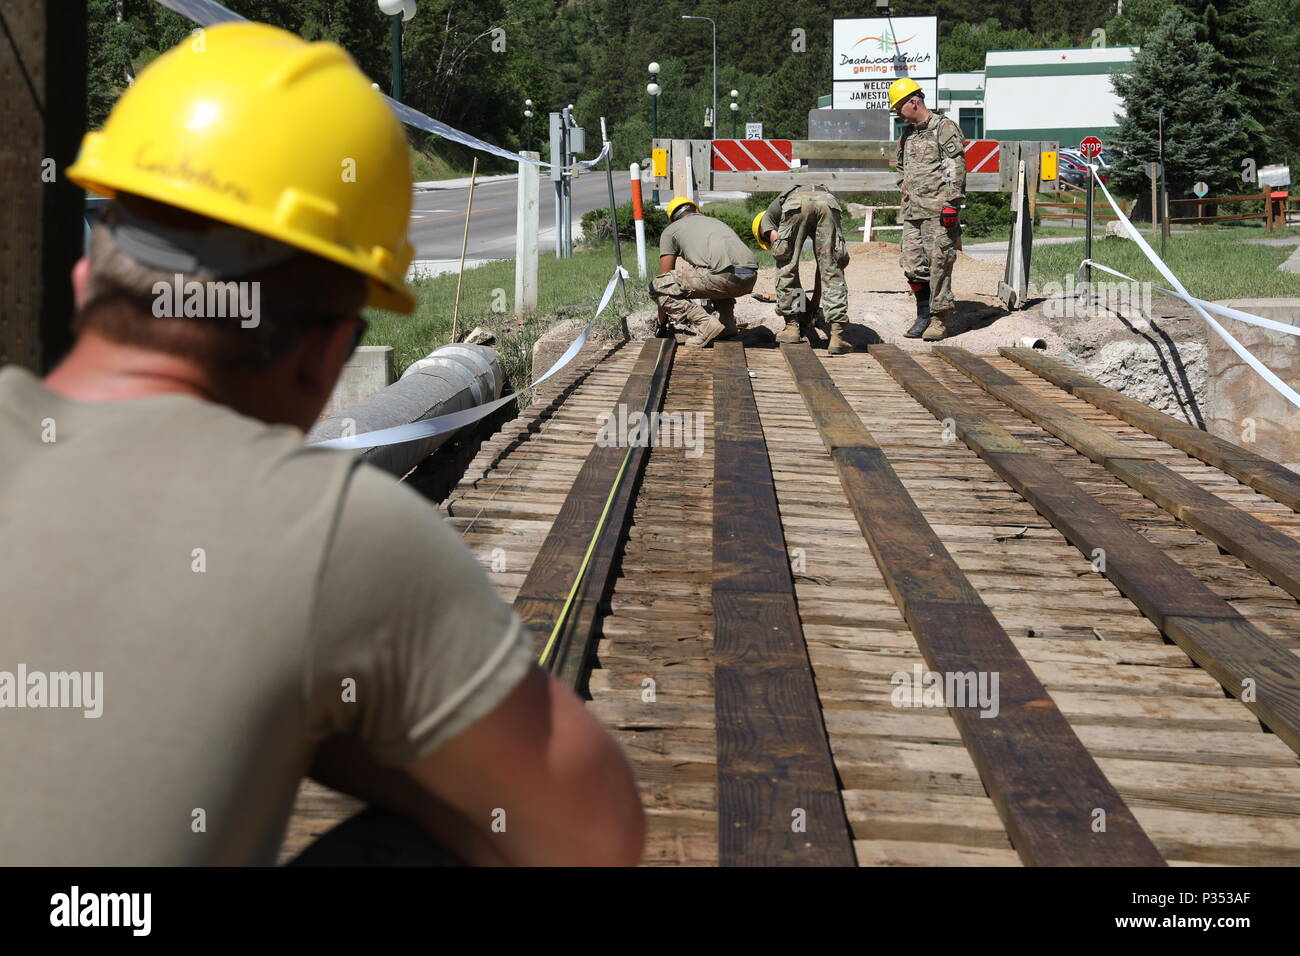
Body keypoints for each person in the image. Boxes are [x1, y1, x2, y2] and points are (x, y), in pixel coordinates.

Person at [0, 22, 644, 867]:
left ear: (89, 278)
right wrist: (315, 723)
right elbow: (591, 834)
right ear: (326, 356)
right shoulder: (336, 535)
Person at [890, 77, 967, 341]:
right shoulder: (908, 134)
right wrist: (905, 188)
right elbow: (901, 167)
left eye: (898, 107)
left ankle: (939, 319)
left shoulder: (943, 127)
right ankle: (923, 314)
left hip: (938, 212)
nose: (897, 113)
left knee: (939, 265)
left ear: (913, 102)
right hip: (913, 213)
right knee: (912, 265)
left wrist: (951, 204)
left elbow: (954, 167)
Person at [752, 184, 852, 353]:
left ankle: (791, 329)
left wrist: (799, 310)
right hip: (828, 203)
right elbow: (823, 270)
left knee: (787, 265)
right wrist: (810, 305)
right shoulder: (781, 203)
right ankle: (837, 337)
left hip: (797, 204)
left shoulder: (767, 220)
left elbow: (790, 267)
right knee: (832, 268)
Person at [649, 198, 757, 348]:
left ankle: (705, 325)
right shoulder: (716, 222)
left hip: (722, 278)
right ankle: (727, 324)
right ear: (697, 211)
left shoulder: (671, 231)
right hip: (749, 277)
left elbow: (664, 277)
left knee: (657, 285)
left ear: (672, 220)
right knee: (712, 269)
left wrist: (662, 323)